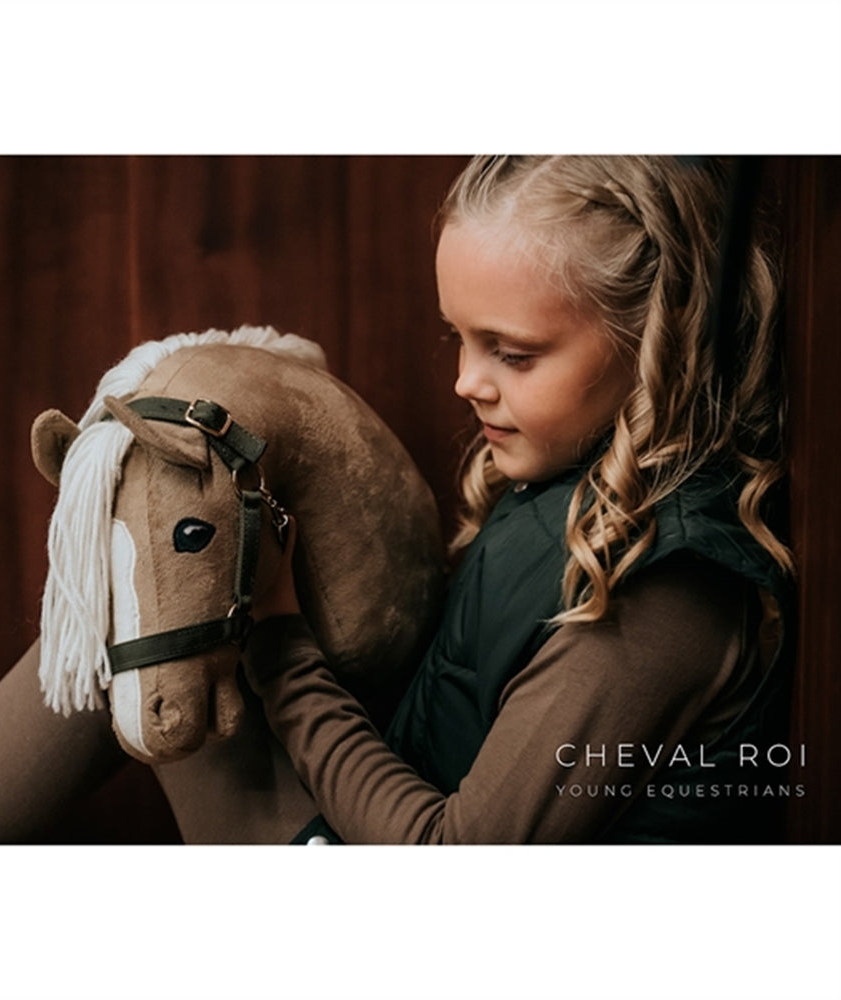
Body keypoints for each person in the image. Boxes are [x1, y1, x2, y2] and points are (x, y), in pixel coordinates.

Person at [243, 155, 795, 844]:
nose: (465, 382)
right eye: (458, 337)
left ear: (658, 337)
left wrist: (283, 651)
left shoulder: (662, 587)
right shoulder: (566, 481)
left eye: (512, 353)